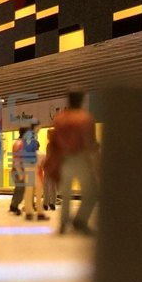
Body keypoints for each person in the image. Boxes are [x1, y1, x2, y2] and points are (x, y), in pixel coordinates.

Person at [50, 91, 99, 234]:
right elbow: (90, 143)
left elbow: (54, 142)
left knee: (65, 194)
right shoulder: (85, 118)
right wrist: (95, 162)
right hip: (80, 159)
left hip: (64, 160)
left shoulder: (59, 119)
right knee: (91, 192)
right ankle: (80, 220)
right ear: (82, 100)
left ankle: (63, 224)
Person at [19, 124, 48, 222]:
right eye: (39, 127)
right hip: (31, 166)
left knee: (29, 190)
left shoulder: (28, 136)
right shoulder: (31, 136)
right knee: (38, 189)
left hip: (28, 166)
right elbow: (29, 151)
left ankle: (30, 212)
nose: (40, 129)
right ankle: (39, 212)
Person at [8, 129, 26, 216]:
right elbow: (17, 160)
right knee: (20, 188)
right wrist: (21, 173)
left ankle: (13, 205)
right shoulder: (20, 144)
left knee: (19, 189)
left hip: (16, 169)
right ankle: (14, 206)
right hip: (18, 169)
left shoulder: (19, 143)